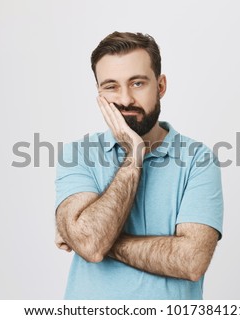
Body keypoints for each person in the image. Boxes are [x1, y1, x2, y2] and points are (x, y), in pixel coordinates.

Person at [54, 31, 223, 299]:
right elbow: (91, 244)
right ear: (98, 92)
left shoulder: (198, 159)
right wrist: (134, 156)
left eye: (137, 83)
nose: (124, 100)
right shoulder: (77, 154)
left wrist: (86, 236)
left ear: (161, 86)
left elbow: (192, 261)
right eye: (110, 86)